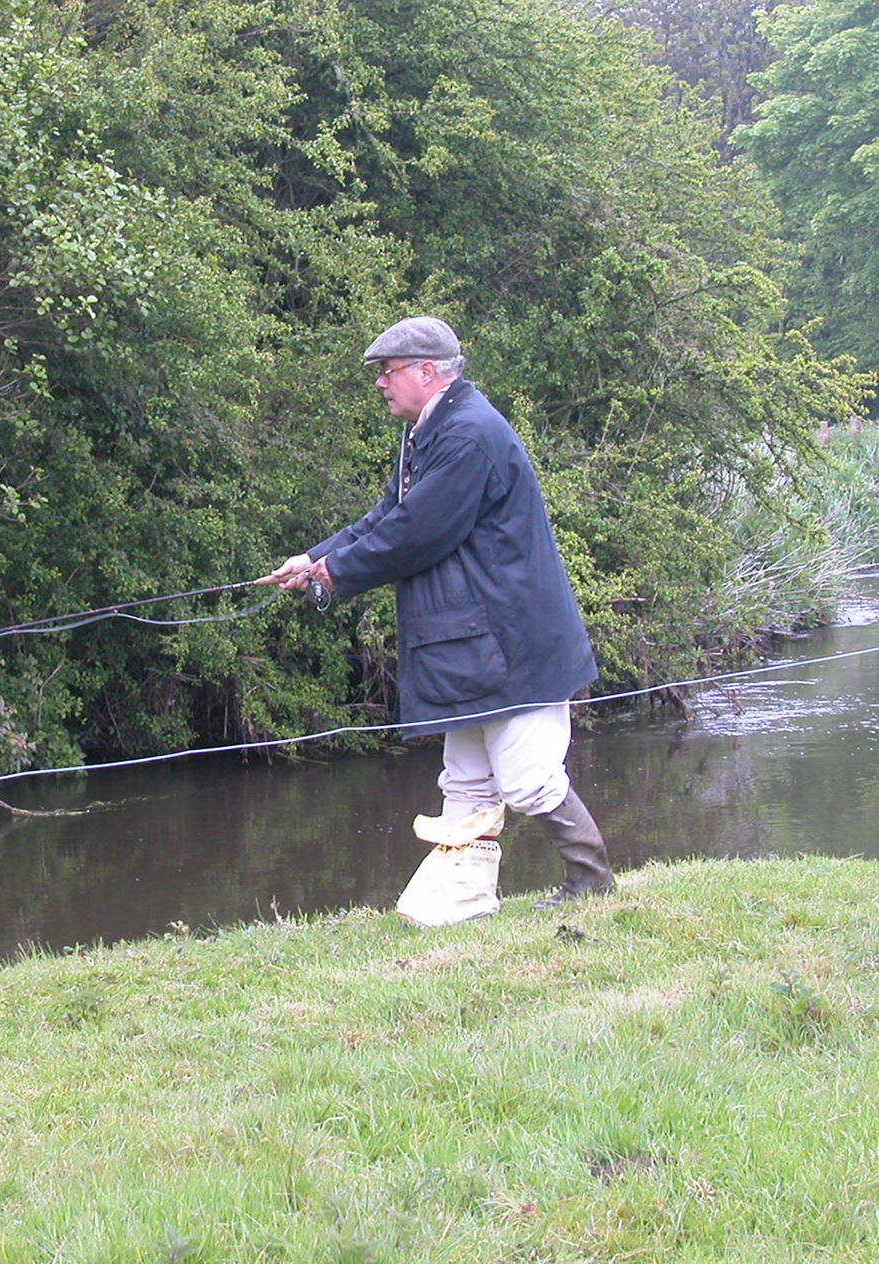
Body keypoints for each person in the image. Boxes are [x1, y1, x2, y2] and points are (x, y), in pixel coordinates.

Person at [260, 316, 614, 924]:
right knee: (467, 781)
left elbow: (417, 534)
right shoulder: (430, 431)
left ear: (428, 372)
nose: (380, 384)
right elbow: (388, 515)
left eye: (387, 372)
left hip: (513, 642)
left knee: (528, 780)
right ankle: (463, 904)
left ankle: (593, 879)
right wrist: (316, 558)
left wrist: (334, 574)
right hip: (472, 644)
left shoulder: (468, 435)